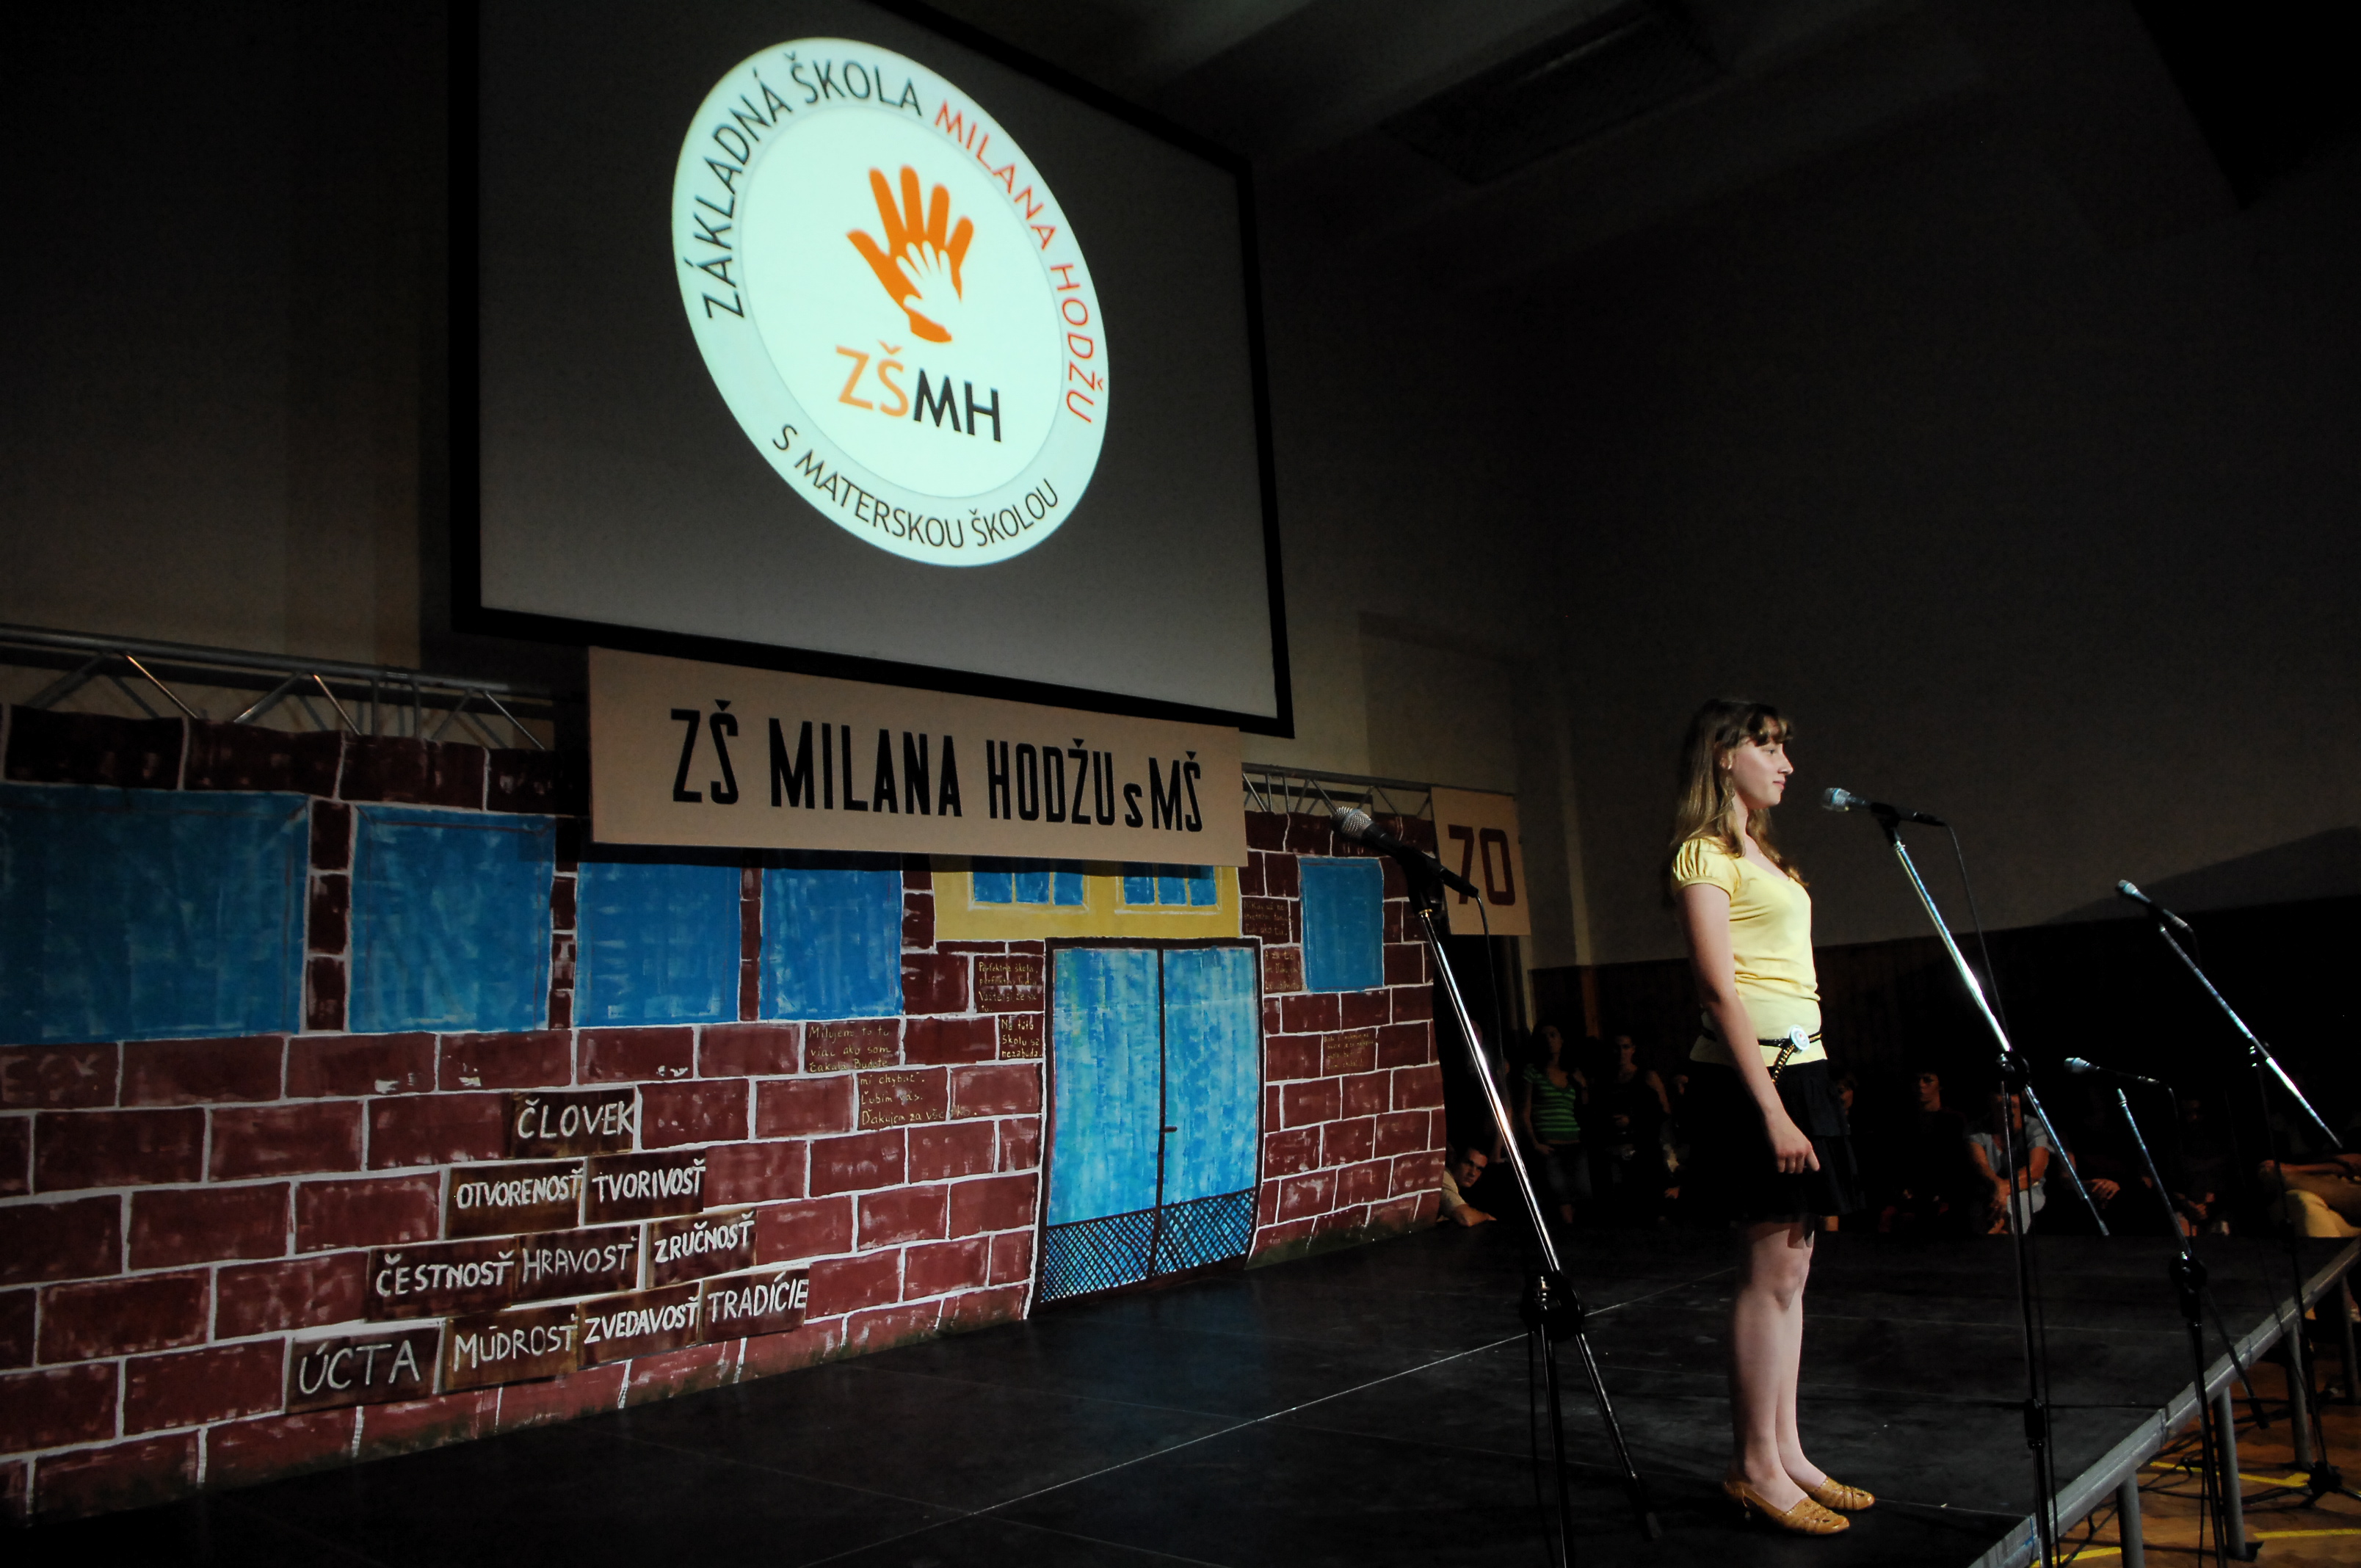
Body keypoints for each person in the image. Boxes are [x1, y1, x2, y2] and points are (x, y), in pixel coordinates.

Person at [1668, 697, 1868, 1536]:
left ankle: (1787, 1451)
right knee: (1766, 1273)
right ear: (1724, 755)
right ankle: (1753, 1465)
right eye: (1769, 747)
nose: (1785, 764)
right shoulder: (1703, 853)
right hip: (1757, 1080)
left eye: (1785, 747)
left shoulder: (1766, 854)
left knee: (1793, 1273)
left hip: (1803, 1067)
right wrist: (1774, 1110)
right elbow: (1720, 990)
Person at [1517, 1023, 1589, 1223]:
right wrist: (1534, 1143)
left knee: (1581, 1199)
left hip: (1574, 1144)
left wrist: (1583, 1086)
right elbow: (1524, 1111)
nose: (1549, 1040)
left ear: (1561, 1040)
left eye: (1553, 1035)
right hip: (1550, 1146)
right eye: (1544, 1037)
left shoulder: (1570, 1072)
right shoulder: (1533, 1071)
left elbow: (1584, 1107)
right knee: (1561, 1202)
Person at [1969, 1089, 2052, 1234]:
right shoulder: (1975, 1129)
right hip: (1989, 1192)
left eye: (2013, 1095)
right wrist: (1997, 1187)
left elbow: (2035, 1171)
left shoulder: (2035, 1127)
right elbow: (1980, 1165)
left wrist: (2003, 1190)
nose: (2007, 1098)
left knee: (2012, 1206)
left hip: (2027, 1191)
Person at [1438, 1146, 1498, 1227]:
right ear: (1454, 1159)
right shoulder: (1444, 1177)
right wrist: (1486, 1217)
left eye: (1479, 1169)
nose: (1473, 1173)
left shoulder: (1458, 1185)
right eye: (1469, 1164)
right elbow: (1465, 1218)